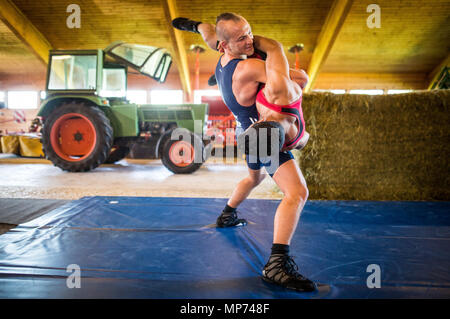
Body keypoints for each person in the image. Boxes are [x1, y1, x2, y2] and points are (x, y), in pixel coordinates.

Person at [172, 14, 316, 292]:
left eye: (250, 33)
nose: (250, 40)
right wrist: (270, 47)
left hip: (244, 132)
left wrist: (191, 25)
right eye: (241, 38)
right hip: (263, 133)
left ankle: (227, 214)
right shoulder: (249, 67)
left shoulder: (218, 44)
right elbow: (288, 78)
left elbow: (203, 29)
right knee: (297, 193)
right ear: (224, 45)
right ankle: (276, 264)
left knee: (254, 179)